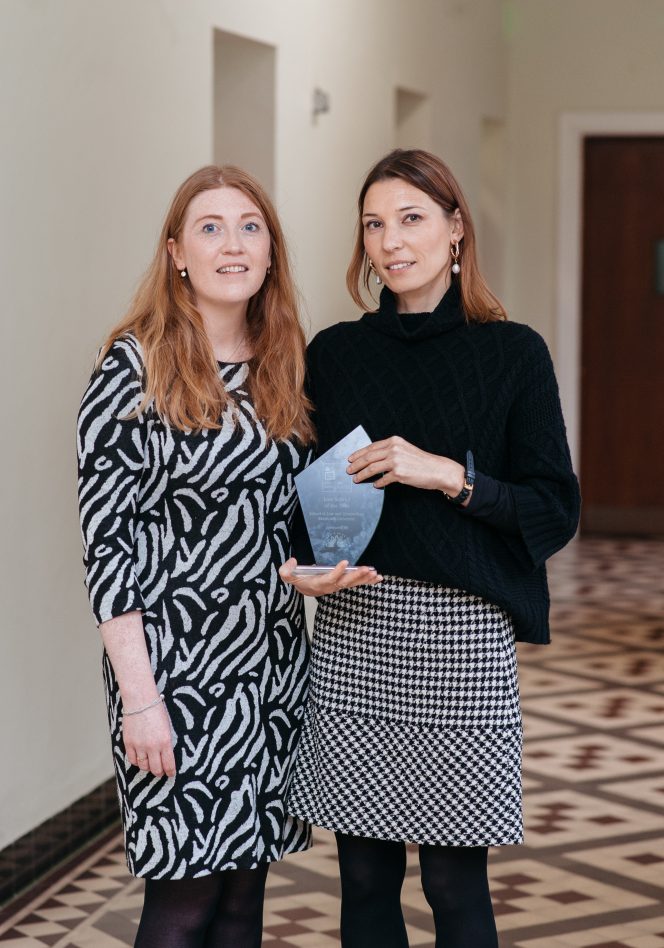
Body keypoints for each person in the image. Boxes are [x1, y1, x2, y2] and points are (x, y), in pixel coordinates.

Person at [281, 149, 581, 948]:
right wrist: (306, 570)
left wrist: (447, 474)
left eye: (411, 218)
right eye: (374, 224)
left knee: (455, 881)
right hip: (356, 630)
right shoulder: (336, 354)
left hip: (463, 643)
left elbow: (555, 508)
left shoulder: (514, 354)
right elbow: (303, 507)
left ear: (456, 230)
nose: (390, 241)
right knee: (364, 880)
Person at [76, 164, 378, 948]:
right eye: (210, 228)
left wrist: (312, 573)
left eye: (250, 227)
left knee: (245, 901)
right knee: (182, 904)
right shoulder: (132, 369)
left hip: (268, 666)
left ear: (271, 252)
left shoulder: (283, 360)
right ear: (177, 252)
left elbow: (288, 520)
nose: (233, 245)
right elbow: (107, 550)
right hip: (172, 673)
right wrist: (139, 697)